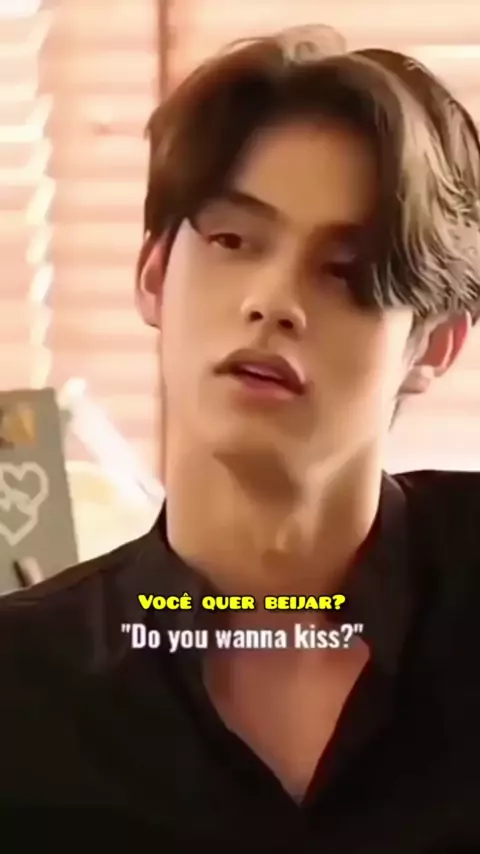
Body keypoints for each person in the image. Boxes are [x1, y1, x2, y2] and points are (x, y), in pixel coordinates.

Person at [1, 23, 479, 850]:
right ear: (154, 275)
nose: (274, 301)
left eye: (345, 272)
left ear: (434, 345)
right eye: (232, 240)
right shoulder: (24, 689)